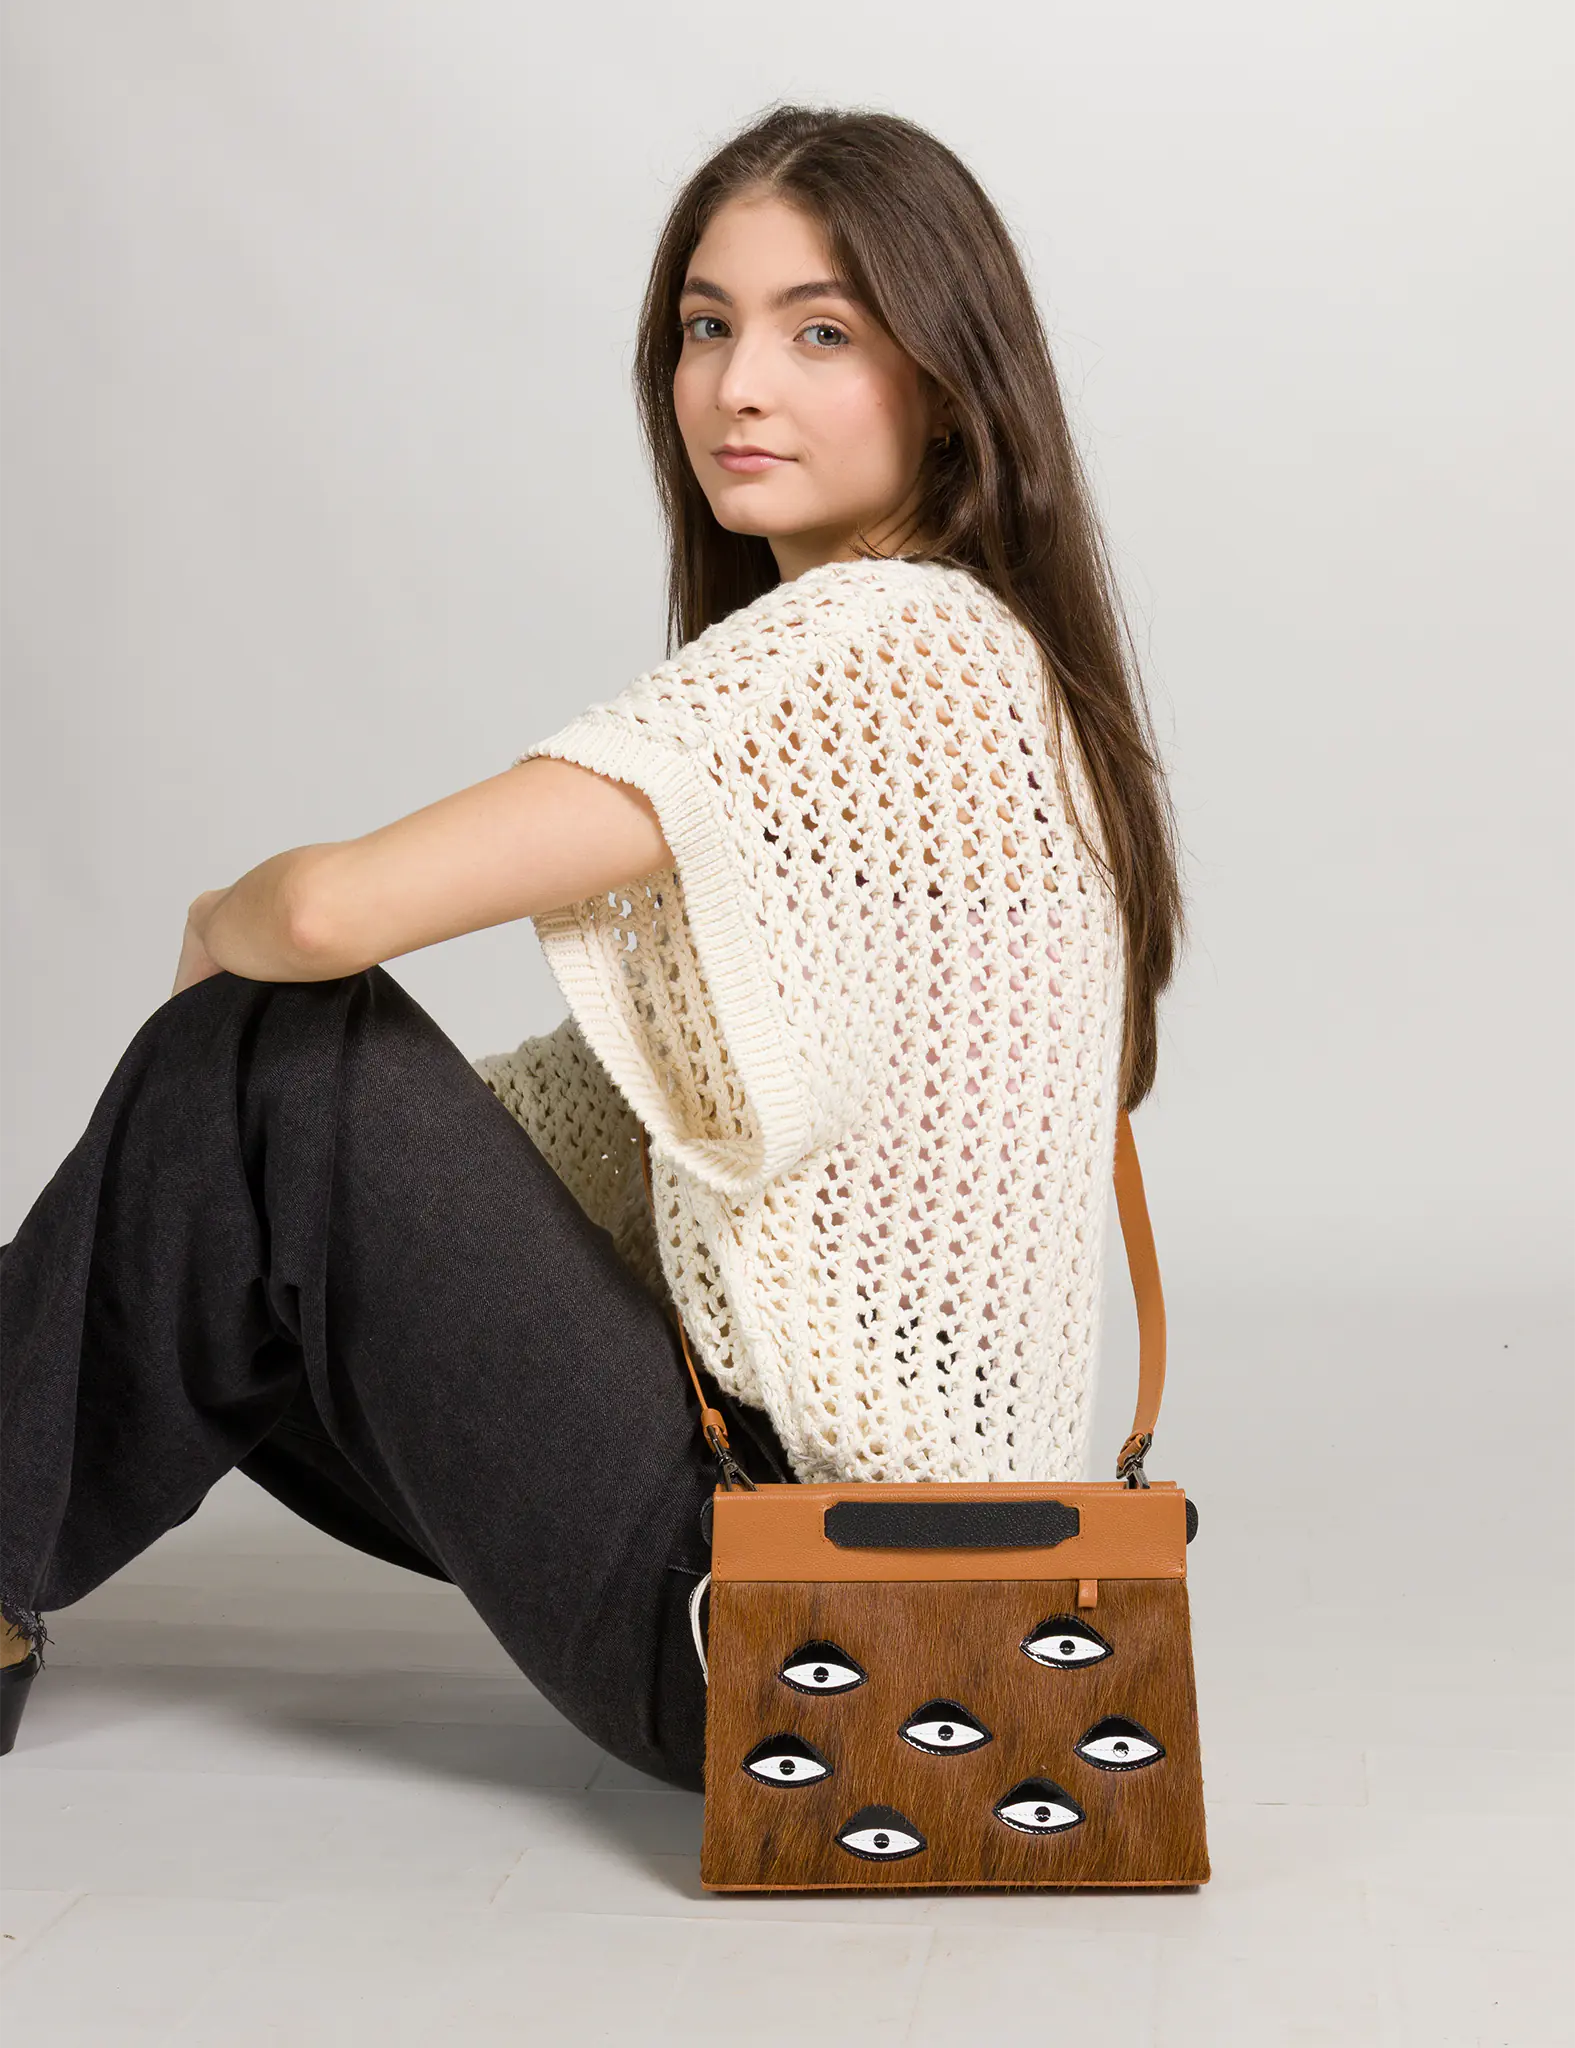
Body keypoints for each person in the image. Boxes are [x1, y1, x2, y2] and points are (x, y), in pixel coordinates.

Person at [0, 104, 1186, 1787]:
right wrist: (258, 1176)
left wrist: (220, 941)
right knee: (258, 1111)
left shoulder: (883, 636)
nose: (738, 385)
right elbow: (582, 1131)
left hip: (775, 1615)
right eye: (706, 326)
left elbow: (324, 914)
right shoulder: (990, 668)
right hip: (830, 1612)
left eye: (821, 332)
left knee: (272, 1040)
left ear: (949, 382)